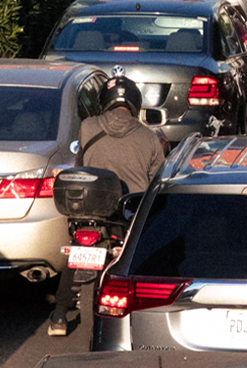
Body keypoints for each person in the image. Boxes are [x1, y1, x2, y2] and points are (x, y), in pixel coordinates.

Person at [48, 77, 167, 335]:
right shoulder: (149, 136)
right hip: (127, 213)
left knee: (75, 253)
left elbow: (80, 162)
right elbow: (159, 179)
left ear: (105, 101)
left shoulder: (88, 126)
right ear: (135, 104)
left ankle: (59, 315)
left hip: (89, 208)